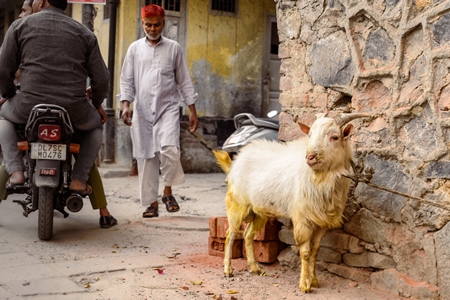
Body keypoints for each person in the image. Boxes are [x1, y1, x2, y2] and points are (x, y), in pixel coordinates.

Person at [0, 0, 116, 228]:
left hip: (27, 107)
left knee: (4, 119)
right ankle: (79, 180)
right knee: (95, 127)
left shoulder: (19, 26)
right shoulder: (84, 33)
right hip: (73, 110)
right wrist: (97, 102)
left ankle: (15, 172)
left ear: (42, 2)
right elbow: (102, 79)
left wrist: (9, 93)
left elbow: (4, 69)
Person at [119, 4, 199, 218]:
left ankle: (167, 191)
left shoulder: (174, 48)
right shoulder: (134, 49)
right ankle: (151, 203)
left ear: (163, 24)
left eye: (156, 25)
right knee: (147, 157)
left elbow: (184, 80)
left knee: (169, 150)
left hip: (169, 108)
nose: (152, 29)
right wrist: (126, 105)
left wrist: (192, 110)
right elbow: (126, 79)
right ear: (142, 23)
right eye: (148, 25)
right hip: (142, 110)